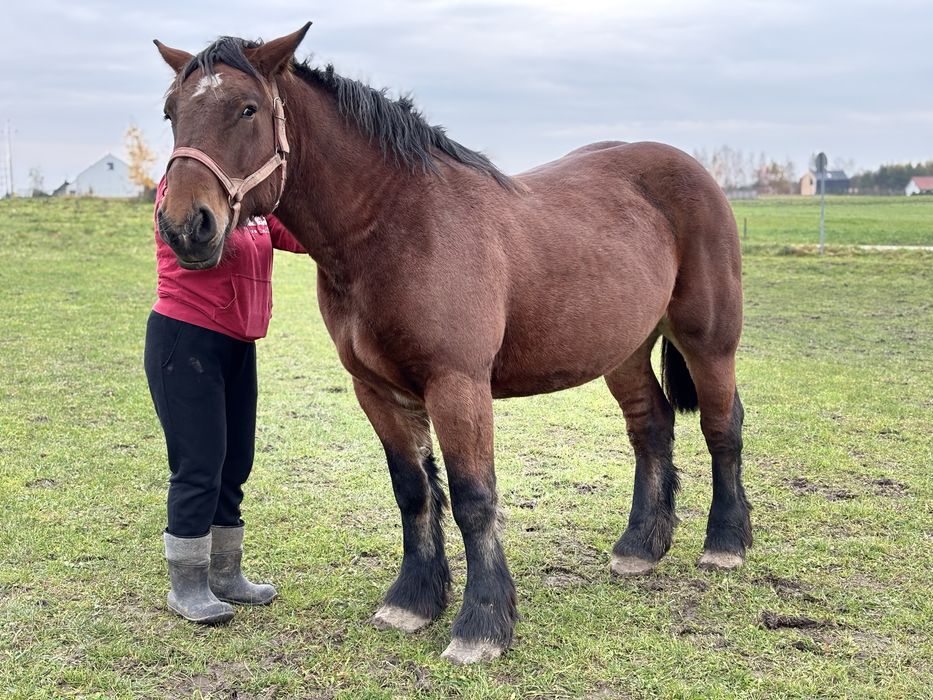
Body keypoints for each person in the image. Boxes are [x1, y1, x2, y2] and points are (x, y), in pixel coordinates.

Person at [144, 177, 306, 624]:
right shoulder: (187, 191)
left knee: (235, 461)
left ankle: (225, 573)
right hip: (186, 338)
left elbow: (293, 233)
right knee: (199, 466)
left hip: (237, 343)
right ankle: (188, 585)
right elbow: (193, 235)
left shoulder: (251, 205)